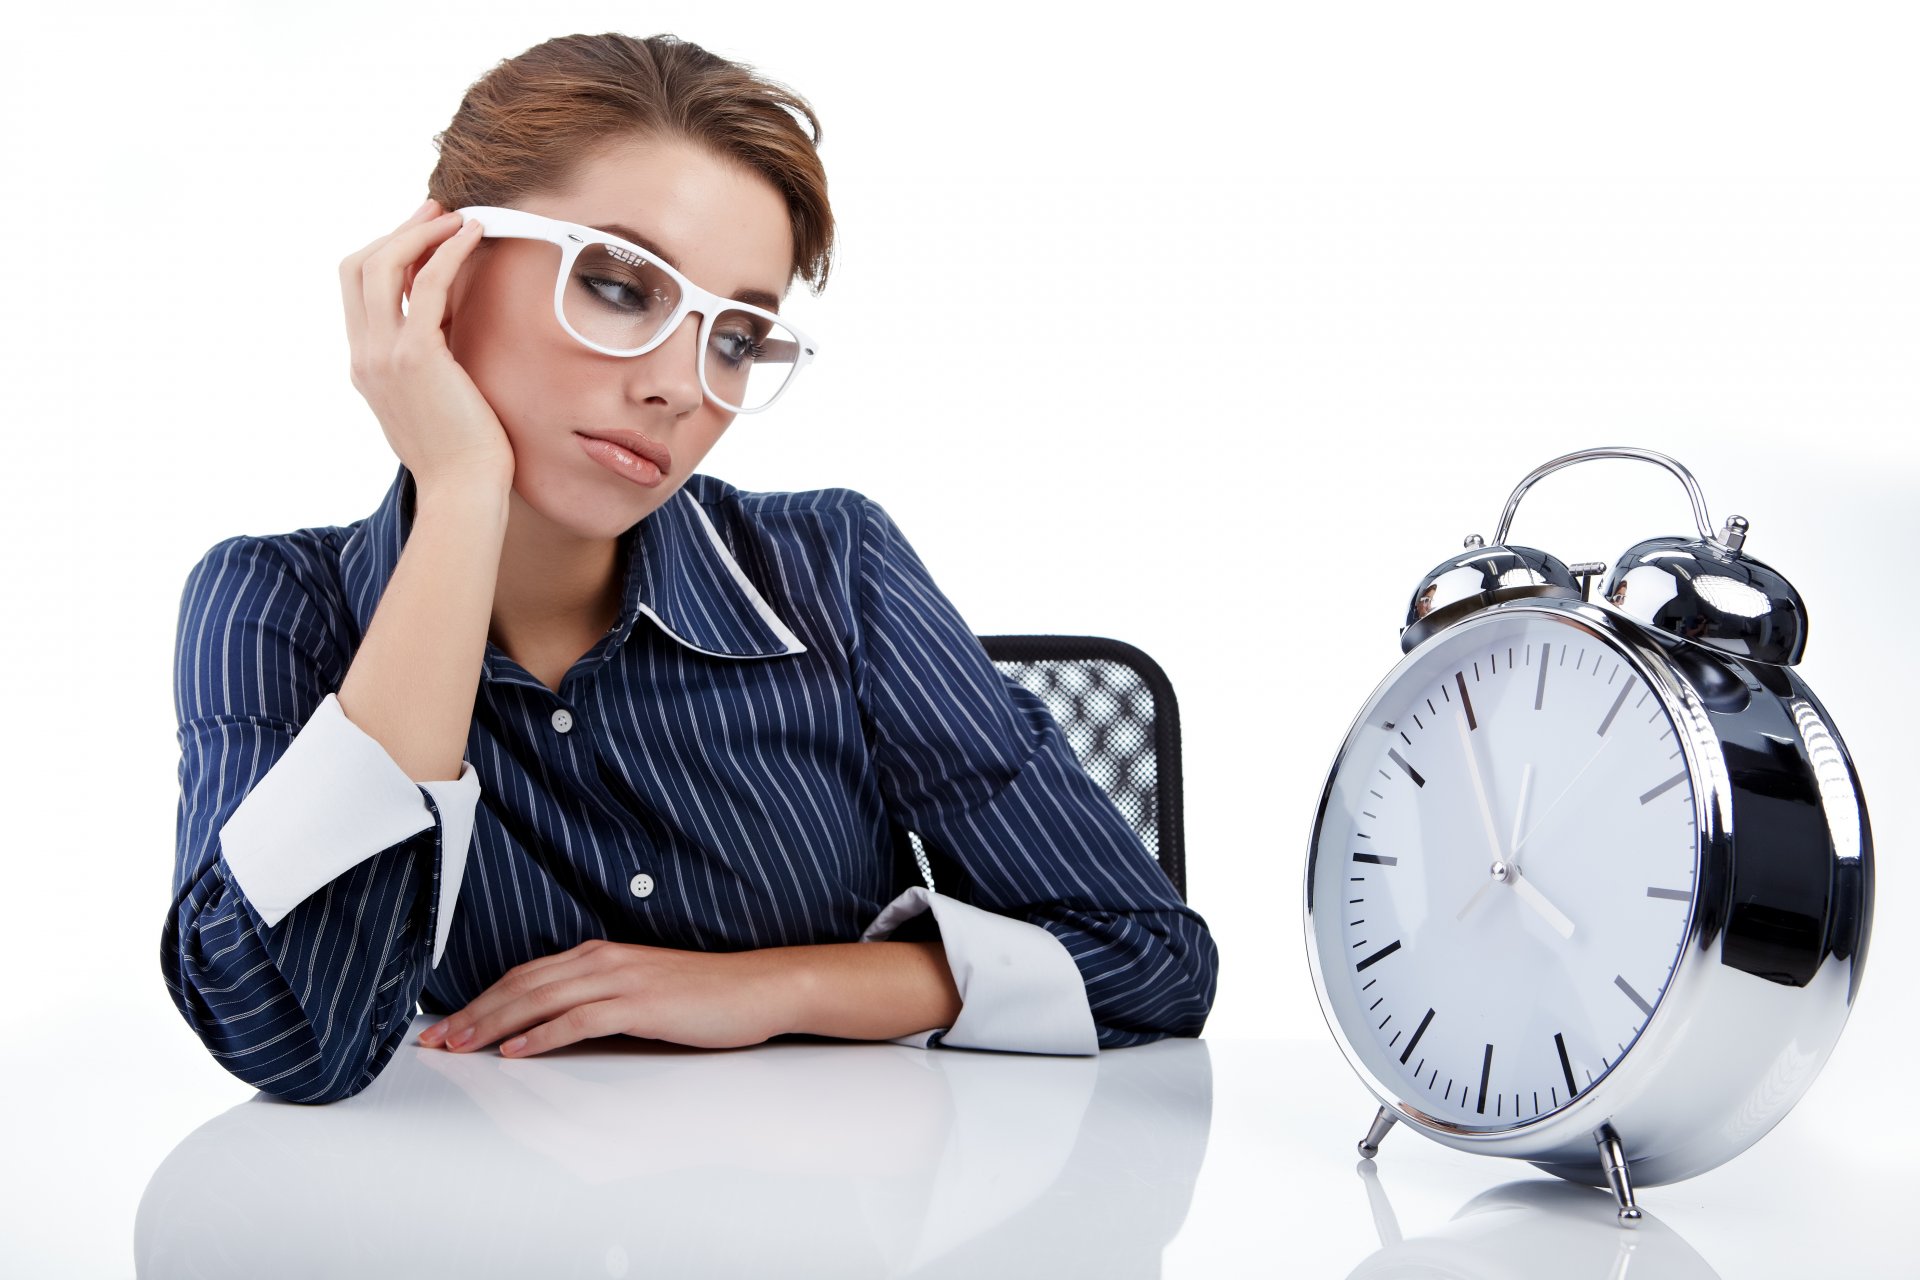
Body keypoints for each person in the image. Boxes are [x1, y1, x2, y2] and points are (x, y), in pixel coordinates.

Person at [162, 32, 1218, 1105]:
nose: (680, 385)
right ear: (445, 266)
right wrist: (463, 489)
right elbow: (291, 1035)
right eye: (621, 287)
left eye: (735, 337)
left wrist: (774, 987)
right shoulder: (277, 608)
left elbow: (1151, 954)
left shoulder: (832, 569)